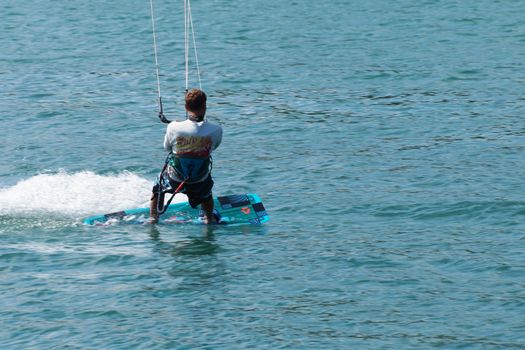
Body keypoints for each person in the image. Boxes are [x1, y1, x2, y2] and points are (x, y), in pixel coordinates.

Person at [150, 89, 223, 224]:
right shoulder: (216, 129)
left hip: (175, 178)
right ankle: (209, 218)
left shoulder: (173, 127)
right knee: (207, 191)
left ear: (186, 107)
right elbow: (214, 147)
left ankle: (154, 218)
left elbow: (166, 148)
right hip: (199, 180)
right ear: (204, 106)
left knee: (158, 185)